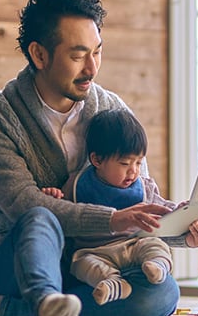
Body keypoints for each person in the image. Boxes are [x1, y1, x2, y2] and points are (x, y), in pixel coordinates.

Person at [0, 0, 198, 316]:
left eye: (97, 52)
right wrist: (113, 219)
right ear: (39, 55)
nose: (92, 68)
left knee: (162, 293)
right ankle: (42, 300)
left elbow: (135, 201)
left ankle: (4, 312)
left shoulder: (112, 110)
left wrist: (185, 230)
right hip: (18, 263)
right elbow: (23, 205)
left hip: (95, 262)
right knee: (39, 217)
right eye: (78, 56)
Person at [41, 108, 177, 305]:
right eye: (124, 163)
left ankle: (157, 266)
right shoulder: (78, 184)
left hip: (134, 245)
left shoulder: (144, 187)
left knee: (155, 245)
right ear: (97, 160)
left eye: (139, 163)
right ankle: (113, 284)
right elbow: (62, 214)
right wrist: (52, 196)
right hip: (93, 251)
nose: (134, 171)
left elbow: (163, 210)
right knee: (80, 263)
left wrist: (181, 211)